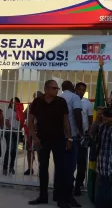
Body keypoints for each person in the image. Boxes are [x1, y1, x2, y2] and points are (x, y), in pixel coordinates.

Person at [28, 80, 73, 208]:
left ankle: (60, 198)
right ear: (46, 89)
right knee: (43, 168)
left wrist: (69, 138)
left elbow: (66, 122)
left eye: (57, 88)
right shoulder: (37, 102)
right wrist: (35, 138)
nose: (56, 90)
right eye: (54, 88)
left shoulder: (61, 102)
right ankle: (43, 196)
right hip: (42, 140)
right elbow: (30, 122)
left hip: (59, 139)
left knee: (61, 169)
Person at [58, 80, 83, 207]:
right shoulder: (75, 97)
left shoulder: (58, 97)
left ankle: (59, 196)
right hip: (71, 135)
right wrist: (81, 131)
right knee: (70, 168)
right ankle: (67, 198)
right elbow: (77, 115)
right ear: (72, 87)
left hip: (58, 136)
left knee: (61, 167)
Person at [74, 82, 93, 196]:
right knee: (70, 163)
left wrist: (88, 134)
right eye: (79, 89)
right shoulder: (70, 101)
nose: (81, 92)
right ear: (75, 89)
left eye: (83, 90)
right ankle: (69, 184)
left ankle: (78, 185)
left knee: (81, 163)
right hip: (71, 136)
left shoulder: (87, 103)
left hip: (82, 137)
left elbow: (90, 120)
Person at [23, 91, 43, 176]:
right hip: (30, 131)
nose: (36, 99)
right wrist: (28, 109)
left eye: (38, 97)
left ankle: (40, 168)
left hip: (40, 131)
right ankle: (30, 168)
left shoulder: (44, 106)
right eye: (35, 97)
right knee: (29, 150)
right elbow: (23, 116)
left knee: (40, 151)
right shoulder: (30, 106)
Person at [3, 97, 21, 175]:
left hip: (17, 132)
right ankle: (5, 167)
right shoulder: (9, 111)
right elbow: (6, 122)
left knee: (13, 150)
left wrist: (19, 130)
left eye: (16, 102)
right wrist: (12, 129)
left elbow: (21, 121)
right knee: (9, 149)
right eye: (13, 102)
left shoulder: (20, 111)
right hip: (9, 132)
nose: (14, 104)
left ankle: (11, 167)